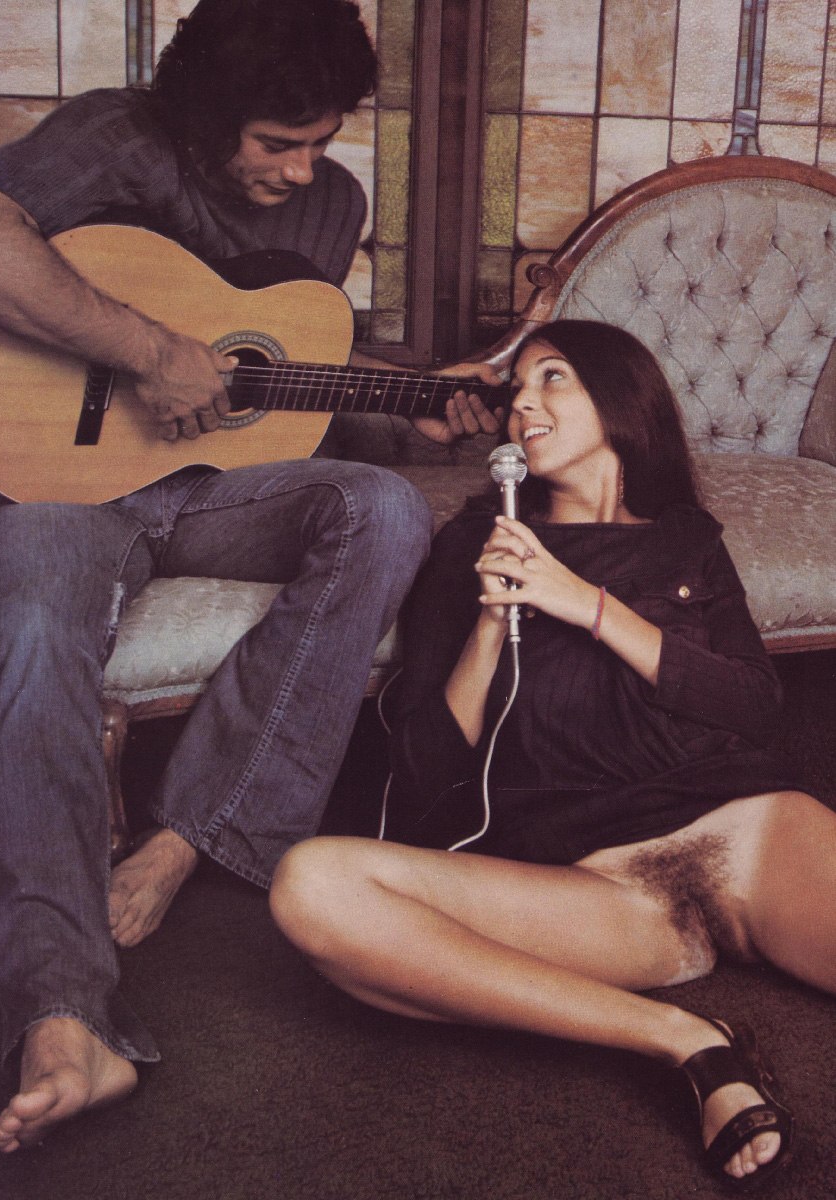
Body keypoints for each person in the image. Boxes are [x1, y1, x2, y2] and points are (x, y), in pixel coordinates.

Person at [0, 0, 500, 1153]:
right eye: (276, 142)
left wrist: (407, 414)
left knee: (383, 507)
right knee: (35, 605)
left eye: (320, 140)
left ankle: (188, 836)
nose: (301, 170)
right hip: (59, 488)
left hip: (216, 494)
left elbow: (273, 371)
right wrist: (145, 349)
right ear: (206, 113)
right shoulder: (114, 137)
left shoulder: (330, 204)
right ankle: (62, 1015)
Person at [270, 318, 836, 1189]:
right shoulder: (467, 549)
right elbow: (423, 779)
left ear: (621, 400)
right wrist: (490, 624)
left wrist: (587, 605)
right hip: (601, 891)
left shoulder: (686, 541)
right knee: (313, 886)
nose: (522, 407)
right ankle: (687, 1042)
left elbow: (755, 706)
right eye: (515, 394)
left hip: (749, 837)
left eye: (552, 378)